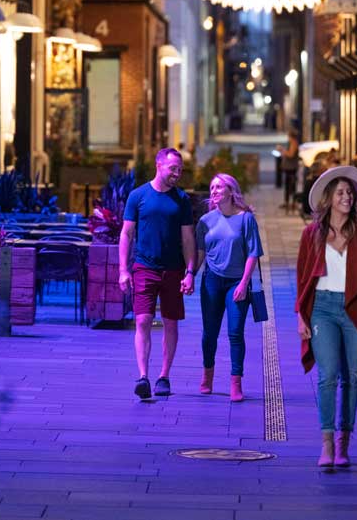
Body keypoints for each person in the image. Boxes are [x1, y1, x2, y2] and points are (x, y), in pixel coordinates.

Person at [295, 165, 357, 469]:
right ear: (328, 199)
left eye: (350, 192)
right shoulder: (312, 233)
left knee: (352, 377)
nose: (347, 197)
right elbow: (302, 277)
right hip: (322, 308)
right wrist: (300, 316)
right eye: (340, 193)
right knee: (327, 376)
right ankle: (326, 443)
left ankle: (343, 443)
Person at [119, 147, 197, 399]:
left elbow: (188, 238)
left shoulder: (181, 199)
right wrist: (123, 270)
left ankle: (164, 376)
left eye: (180, 170)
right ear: (159, 165)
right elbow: (126, 234)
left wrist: (190, 272)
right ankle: (143, 376)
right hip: (144, 267)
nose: (177, 173)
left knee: (170, 322)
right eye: (173, 168)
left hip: (173, 269)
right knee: (142, 320)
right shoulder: (138, 196)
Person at [194, 173, 264, 402]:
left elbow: (253, 254)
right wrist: (189, 275)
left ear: (231, 191)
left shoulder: (246, 219)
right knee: (209, 333)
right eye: (212, 187)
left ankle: (236, 382)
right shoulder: (205, 221)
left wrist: (243, 283)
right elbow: (200, 253)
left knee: (235, 332)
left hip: (237, 283)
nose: (213, 191)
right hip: (212, 282)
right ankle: (207, 375)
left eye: (218, 187)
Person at [279, 131, 300, 209]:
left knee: (290, 185)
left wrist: (282, 150)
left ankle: (291, 203)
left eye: (288, 136)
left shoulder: (294, 143)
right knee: (288, 185)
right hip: (289, 167)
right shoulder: (292, 143)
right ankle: (288, 202)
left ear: (291, 136)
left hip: (291, 168)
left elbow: (291, 154)